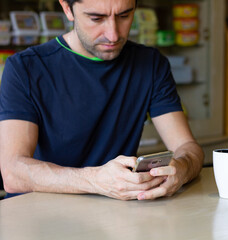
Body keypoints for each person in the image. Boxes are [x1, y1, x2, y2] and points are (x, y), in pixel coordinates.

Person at [0, 0, 204, 200]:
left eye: (124, 15)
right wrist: (95, 180)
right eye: (96, 18)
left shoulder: (151, 64)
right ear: (67, 8)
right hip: (38, 220)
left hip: (113, 217)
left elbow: (187, 146)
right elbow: (13, 172)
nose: (113, 35)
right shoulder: (24, 68)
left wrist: (181, 169)